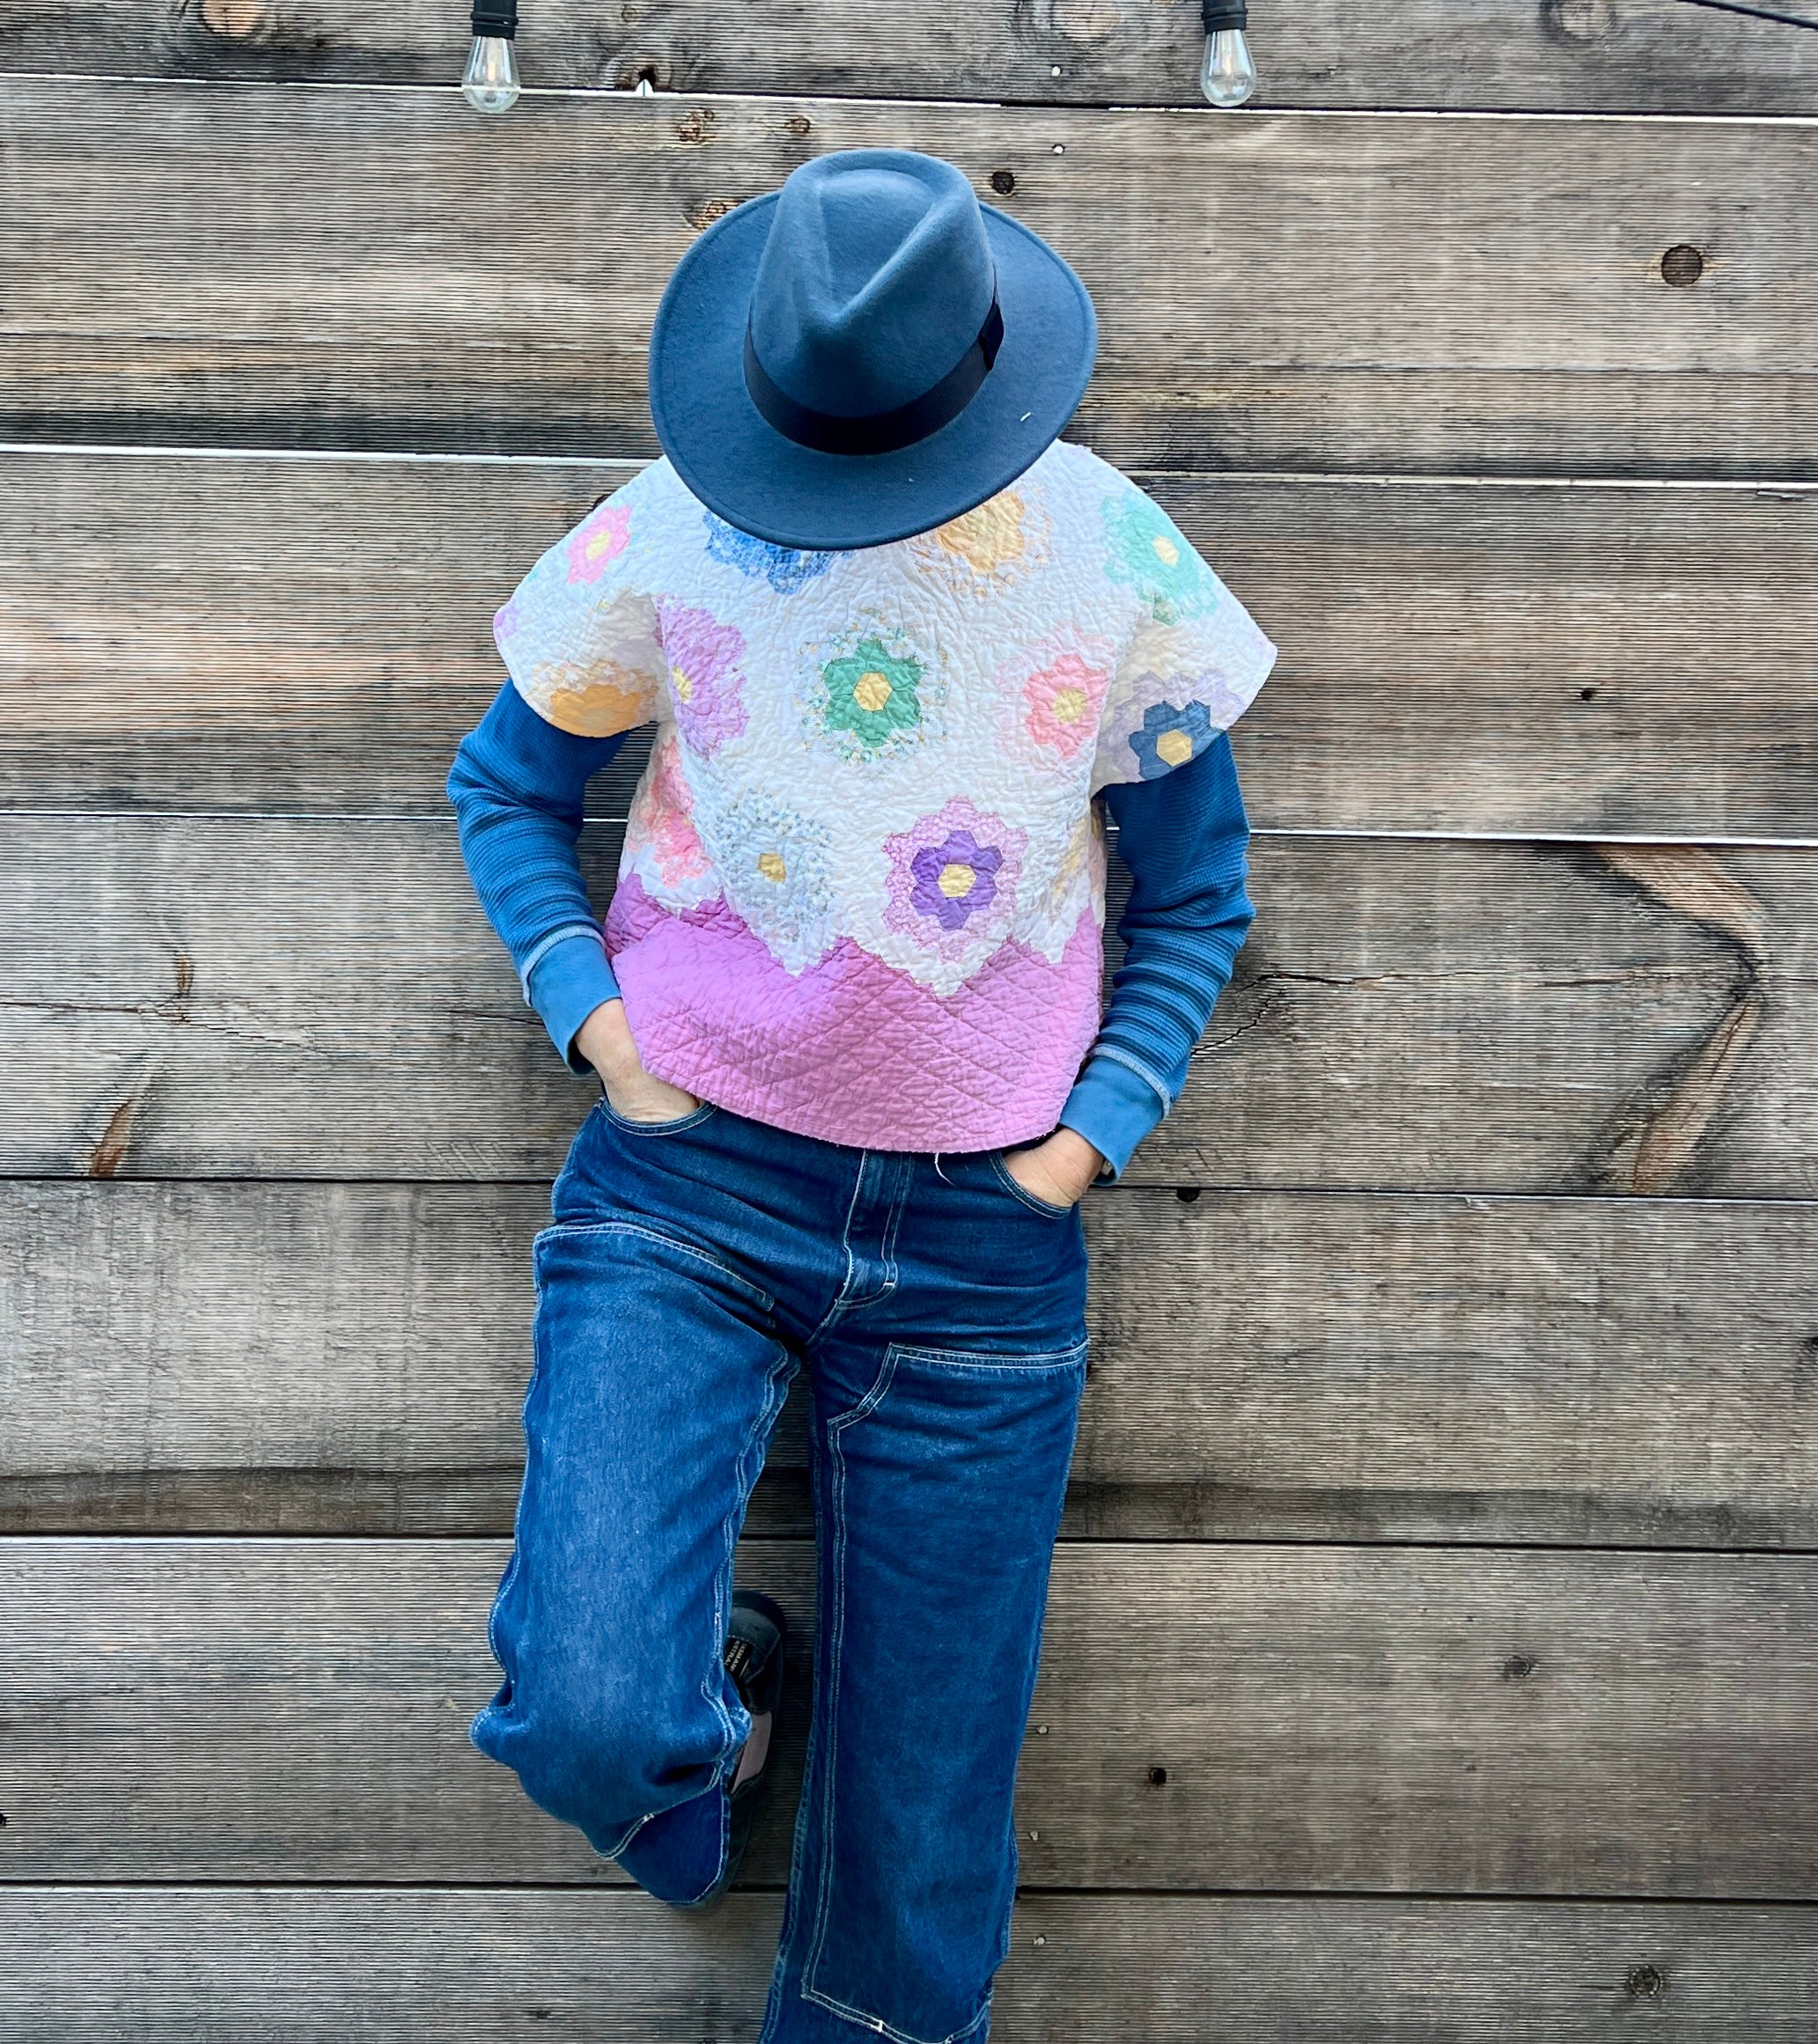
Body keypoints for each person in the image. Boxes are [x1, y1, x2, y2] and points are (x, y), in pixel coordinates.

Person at [447, 146, 1275, 2043]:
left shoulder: (1110, 554)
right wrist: (600, 1025)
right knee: (587, 1710)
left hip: (985, 1242)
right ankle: (711, 1728)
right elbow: (504, 785)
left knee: (915, 1861)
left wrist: (1090, 1140)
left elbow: (1200, 886)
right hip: (688, 1196)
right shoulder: (669, 529)